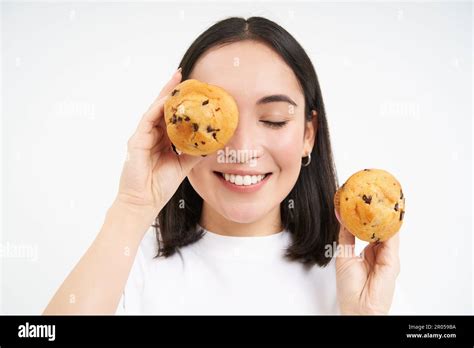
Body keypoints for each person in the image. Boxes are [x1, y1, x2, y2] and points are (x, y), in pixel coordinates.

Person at [44, 16, 400, 315]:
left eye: (274, 119)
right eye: (217, 121)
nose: (242, 150)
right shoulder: (127, 263)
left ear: (309, 134)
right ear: (174, 126)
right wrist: (132, 206)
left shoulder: (355, 273)